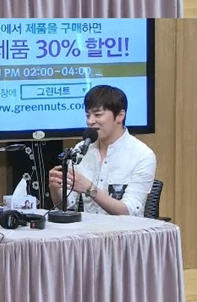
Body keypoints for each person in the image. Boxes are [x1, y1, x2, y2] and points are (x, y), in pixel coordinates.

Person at [48, 85, 156, 216]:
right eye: (88, 115)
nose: (90, 121)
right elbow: (66, 205)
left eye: (97, 115)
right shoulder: (81, 150)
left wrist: (90, 189)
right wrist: (55, 188)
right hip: (88, 228)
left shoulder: (142, 155)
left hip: (124, 228)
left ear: (120, 116)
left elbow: (129, 211)